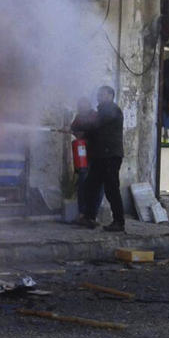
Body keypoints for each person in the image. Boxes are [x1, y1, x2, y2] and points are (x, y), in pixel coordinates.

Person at [79, 86, 125, 232]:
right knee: (91, 185)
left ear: (110, 95)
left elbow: (95, 125)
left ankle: (119, 222)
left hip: (110, 155)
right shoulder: (102, 111)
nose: (98, 96)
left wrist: (81, 128)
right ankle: (89, 217)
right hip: (100, 155)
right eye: (98, 94)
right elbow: (94, 131)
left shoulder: (112, 110)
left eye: (102, 94)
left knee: (111, 189)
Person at [70, 98, 102, 224]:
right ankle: (82, 213)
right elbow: (73, 128)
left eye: (84, 107)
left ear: (89, 106)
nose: (81, 109)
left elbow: (98, 132)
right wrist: (76, 133)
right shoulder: (79, 117)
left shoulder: (96, 116)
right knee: (82, 183)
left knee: (97, 186)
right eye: (80, 107)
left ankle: (93, 214)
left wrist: (85, 135)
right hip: (83, 157)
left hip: (97, 156)